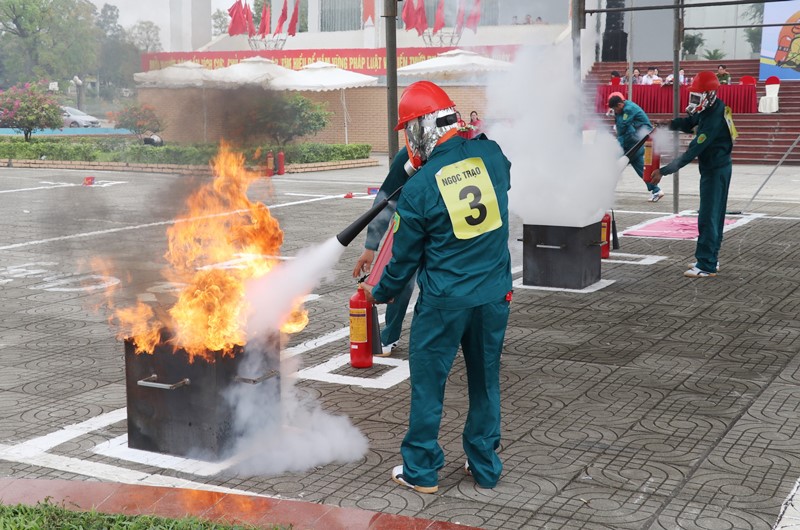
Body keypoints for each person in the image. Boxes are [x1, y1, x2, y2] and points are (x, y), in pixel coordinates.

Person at [363, 80, 512, 494]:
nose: (409, 142)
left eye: (410, 131)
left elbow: (404, 260)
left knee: (429, 384)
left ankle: (422, 470)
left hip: (445, 302)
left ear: (423, 127)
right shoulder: (493, 155)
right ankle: (484, 466)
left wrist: (382, 291)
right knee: (486, 381)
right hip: (494, 295)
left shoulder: (421, 187)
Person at [650, 71, 736, 278]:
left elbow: (692, 151)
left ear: (709, 93)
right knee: (713, 215)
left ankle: (706, 265)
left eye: (698, 94)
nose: (694, 99)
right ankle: (709, 259)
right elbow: (689, 122)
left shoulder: (714, 118)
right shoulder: (711, 108)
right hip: (714, 168)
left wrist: (663, 171)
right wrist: (667, 125)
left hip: (716, 171)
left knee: (709, 216)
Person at [352, 149, 417, 356]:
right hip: (413, 226)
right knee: (402, 280)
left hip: (448, 231)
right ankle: (389, 337)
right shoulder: (409, 155)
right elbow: (387, 198)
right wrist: (371, 246)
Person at [608, 93, 664, 202]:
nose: (614, 111)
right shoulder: (624, 109)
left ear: (620, 104)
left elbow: (624, 128)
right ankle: (656, 190)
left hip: (634, 142)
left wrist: (619, 145)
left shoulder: (628, 110)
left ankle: (606, 192)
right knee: (640, 169)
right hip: (636, 143)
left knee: (614, 166)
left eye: (615, 108)